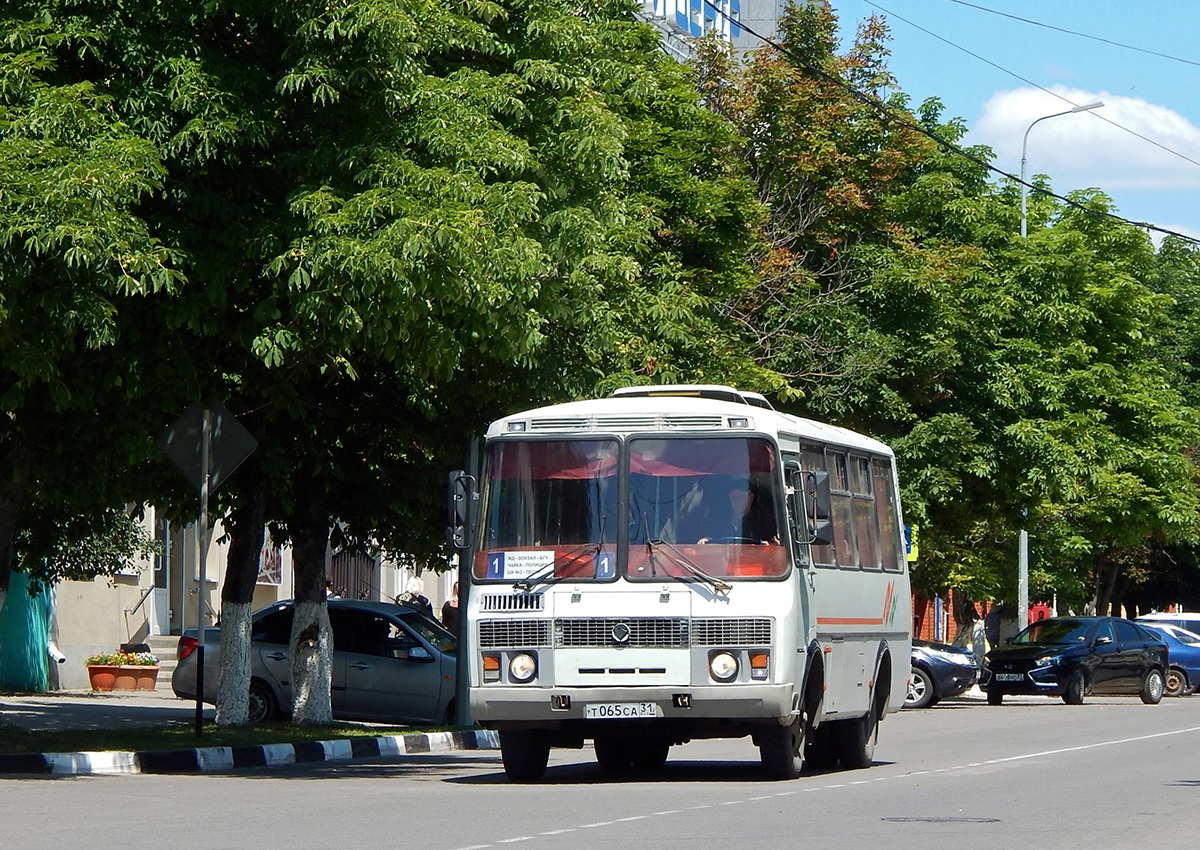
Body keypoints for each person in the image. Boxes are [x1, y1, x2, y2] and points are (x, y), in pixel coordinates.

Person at [697, 479, 777, 544]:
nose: (737, 501)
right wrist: (705, 540)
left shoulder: (762, 522)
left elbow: (772, 543)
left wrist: (768, 545)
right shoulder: (721, 520)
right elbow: (712, 537)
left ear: (751, 498)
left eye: (741, 497)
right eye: (734, 497)